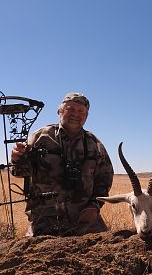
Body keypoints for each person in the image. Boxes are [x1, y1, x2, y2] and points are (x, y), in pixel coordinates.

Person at [11, 92, 114, 236]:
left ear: (86, 116)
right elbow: (21, 172)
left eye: (81, 111)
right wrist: (17, 158)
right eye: (70, 109)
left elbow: (104, 180)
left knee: (106, 250)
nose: (75, 114)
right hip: (44, 218)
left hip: (84, 217)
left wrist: (94, 207)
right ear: (59, 111)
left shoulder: (94, 144)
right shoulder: (39, 137)